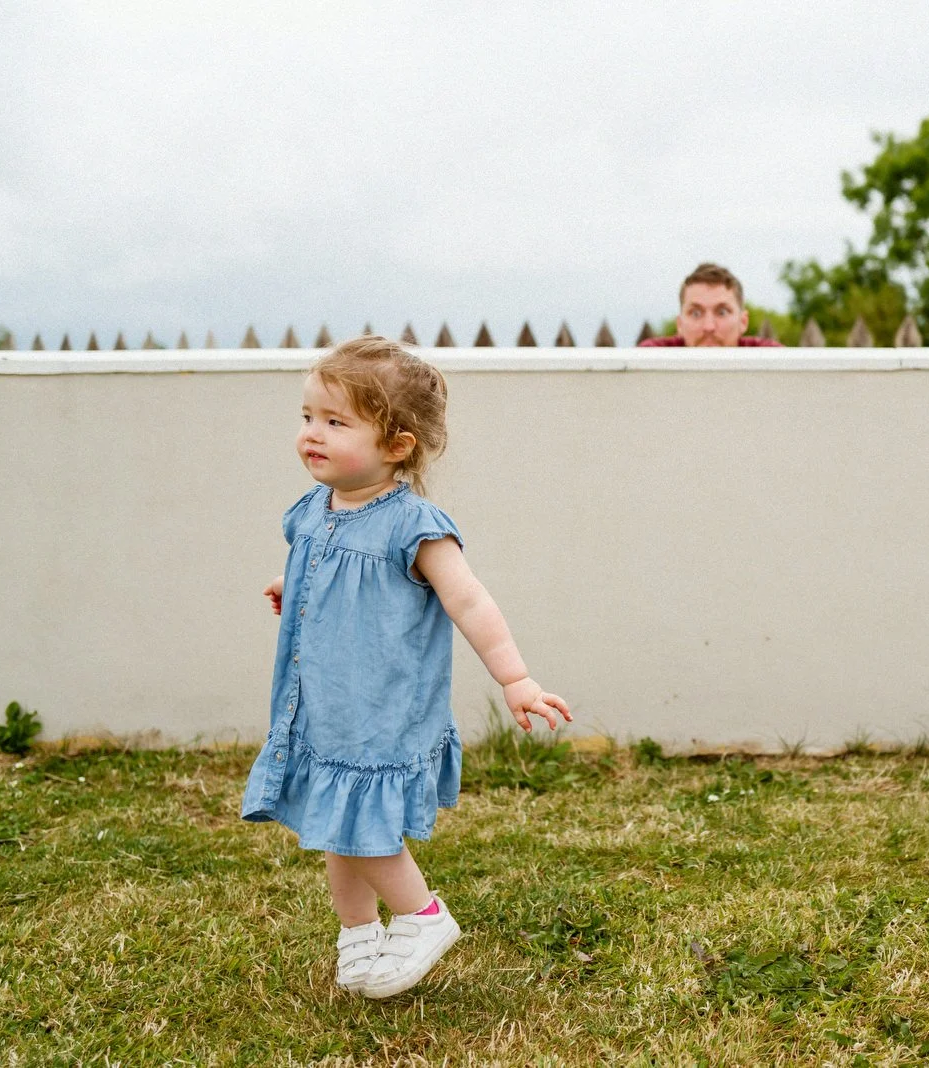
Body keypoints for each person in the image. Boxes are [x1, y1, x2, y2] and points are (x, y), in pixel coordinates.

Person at [242, 335, 572, 999]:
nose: (313, 434)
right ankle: (358, 933)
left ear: (397, 445)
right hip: (322, 706)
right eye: (308, 417)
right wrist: (293, 583)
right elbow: (325, 564)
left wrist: (516, 680)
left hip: (379, 712)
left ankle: (422, 917)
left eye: (336, 423)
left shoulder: (413, 526)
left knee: (364, 829)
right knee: (334, 822)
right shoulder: (312, 512)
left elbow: (469, 600)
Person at [640, 262, 783, 347]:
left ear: (743, 321)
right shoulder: (648, 361)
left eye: (722, 312)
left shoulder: (774, 362)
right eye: (696, 313)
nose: (709, 327)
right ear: (680, 324)